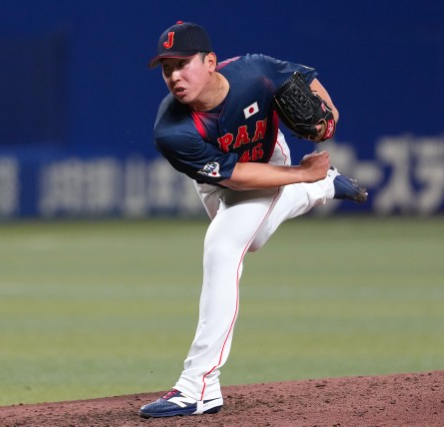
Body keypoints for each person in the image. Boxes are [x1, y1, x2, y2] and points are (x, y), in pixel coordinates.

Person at [140, 21, 367, 419]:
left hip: (267, 158)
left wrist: (328, 119)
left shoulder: (255, 71)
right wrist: (303, 176)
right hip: (220, 178)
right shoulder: (171, 129)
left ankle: (198, 386)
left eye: (183, 64)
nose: (174, 76)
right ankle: (321, 187)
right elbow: (234, 178)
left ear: (210, 62)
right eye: (167, 68)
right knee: (253, 238)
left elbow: (306, 80)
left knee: (223, 246)